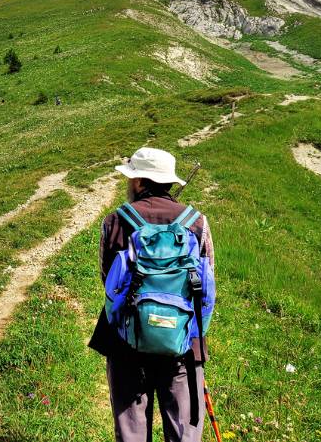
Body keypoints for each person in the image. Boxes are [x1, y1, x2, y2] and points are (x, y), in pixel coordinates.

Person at [89, 147, 215, 442]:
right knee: (184, 431)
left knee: (131, 433)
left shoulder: (115, 221)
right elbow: (207, 284)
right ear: (169, 182)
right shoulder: (197, 222)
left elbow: (108, 280)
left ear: (138, 181)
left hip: (125, 343)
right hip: (183, 345)